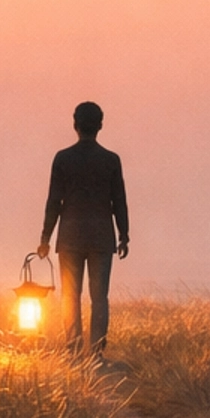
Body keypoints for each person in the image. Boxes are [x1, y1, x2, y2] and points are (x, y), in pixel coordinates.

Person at [37, 101, 129, 357]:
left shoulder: (63, 159)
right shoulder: (111, 160)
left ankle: (73, 348)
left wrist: (45, 237)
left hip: (70, 237)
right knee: (99, 297)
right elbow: (119, 201)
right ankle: (97, 351)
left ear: (75, 125)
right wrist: (124, 234)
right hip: (102, 236)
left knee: (70, 295)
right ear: (100, 125)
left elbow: (54, 201)